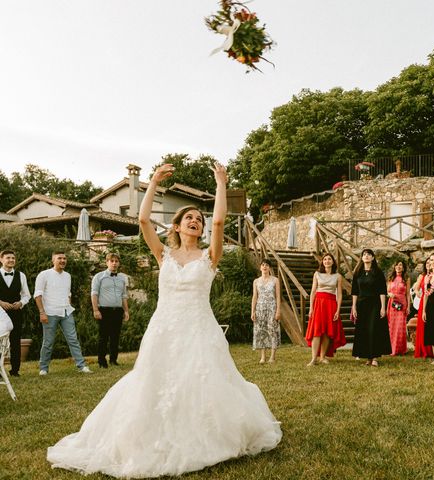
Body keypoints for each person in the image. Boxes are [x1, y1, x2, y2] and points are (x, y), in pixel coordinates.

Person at [48, 162, 281, 477]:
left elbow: (220, 221)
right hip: (164, 328)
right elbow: (143, 219)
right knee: (155, 382)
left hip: (199, 329)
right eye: (189, 218)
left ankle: (206, 435)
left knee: (201, 381)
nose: (196, 222)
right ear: (176, 226)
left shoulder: (209, 257)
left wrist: (221, 184)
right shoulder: (163, 255)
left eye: (199, 219)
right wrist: (153, 182)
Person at [35, 251, 91, 375]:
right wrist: (42, 312)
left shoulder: (68, 276)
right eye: (59, 258)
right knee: (48, 342)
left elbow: (68, 293)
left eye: (64, 258)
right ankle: (43, 368)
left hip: (66, 312)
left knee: (73, 340)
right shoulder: (44, 275)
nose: (62, 261)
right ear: (53, 260)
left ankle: (81, 366)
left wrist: (69, 304)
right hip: (49, 312)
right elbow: (38, 295)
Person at [351, 249, 391, 366]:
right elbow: (354, 291)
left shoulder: (377, 272)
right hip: (362, 304)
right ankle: (367, 357)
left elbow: (382, 291)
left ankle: (374, 358)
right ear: (362, 258)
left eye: (369, 254)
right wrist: (354, 307)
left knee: (374, 329)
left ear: (373, 258)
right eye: (364, 254)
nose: (366, 256)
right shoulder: (357, 272)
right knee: (364, 330)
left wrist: (383, 307)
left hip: (375, 303)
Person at [306, 253, 346, 365]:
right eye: (325, 259)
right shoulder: (317, 274)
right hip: (318, 303)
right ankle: (314, 358)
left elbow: (339, 294)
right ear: (322, 262)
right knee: (316, 331)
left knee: (327, 332)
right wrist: (311, 308)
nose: (327, 261)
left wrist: (338, 310)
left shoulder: (338, 276)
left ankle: (322, 357)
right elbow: (313, 291)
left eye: (329, 259)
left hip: (331, 304)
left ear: (333, 262)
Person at [91, 253, 129, 368]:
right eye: (111, 261)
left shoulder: (122, 278)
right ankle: (102, 361)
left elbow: (124, 296)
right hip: (104, 311)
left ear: (119, 263)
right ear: (107, 262)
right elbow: (94, 294)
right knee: (103, 337)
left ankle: (113, 360)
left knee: (115, 337)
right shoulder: (99, 277)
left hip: (117, 311)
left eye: (116, 261)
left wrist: (126, 311)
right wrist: (95, 310)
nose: (114, 263)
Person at [0, 250, 31, 377]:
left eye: (13, 258)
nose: (11, 260)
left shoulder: (21, 275)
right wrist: (0, 302)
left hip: (16, 312)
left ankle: (15, 370)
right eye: (8, 258)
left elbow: (26, 295)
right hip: (0, 313)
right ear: (1, 259)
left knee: (15, 341)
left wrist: (21, 303)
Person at [251, 259, 281, 364]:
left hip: (272, 307)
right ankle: (263, 357)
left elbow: (278, 296)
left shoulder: (275, 280)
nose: (264, 267)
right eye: (263, 265)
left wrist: (278, 311)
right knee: (261, 331)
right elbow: (255, 297)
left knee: (272, 330)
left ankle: (272, 356)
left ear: (270, 268)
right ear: (260, 267)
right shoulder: (256, 281)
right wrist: (252, 311)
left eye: (267, 265)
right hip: (260, 308)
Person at [386, 260, 409, 356]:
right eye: (397, 265)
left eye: (400, 265)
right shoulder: (391, 278)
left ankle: (400, 349)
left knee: (400, 327)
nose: (398, 266)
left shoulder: (406, 278)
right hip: (392, 304)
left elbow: (407, 294)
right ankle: (391, 348)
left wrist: (408, 306)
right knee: (392, 326)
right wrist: (389, 294)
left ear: (403, 268)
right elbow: (387, 291)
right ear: (394, 267)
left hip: (402, 303)